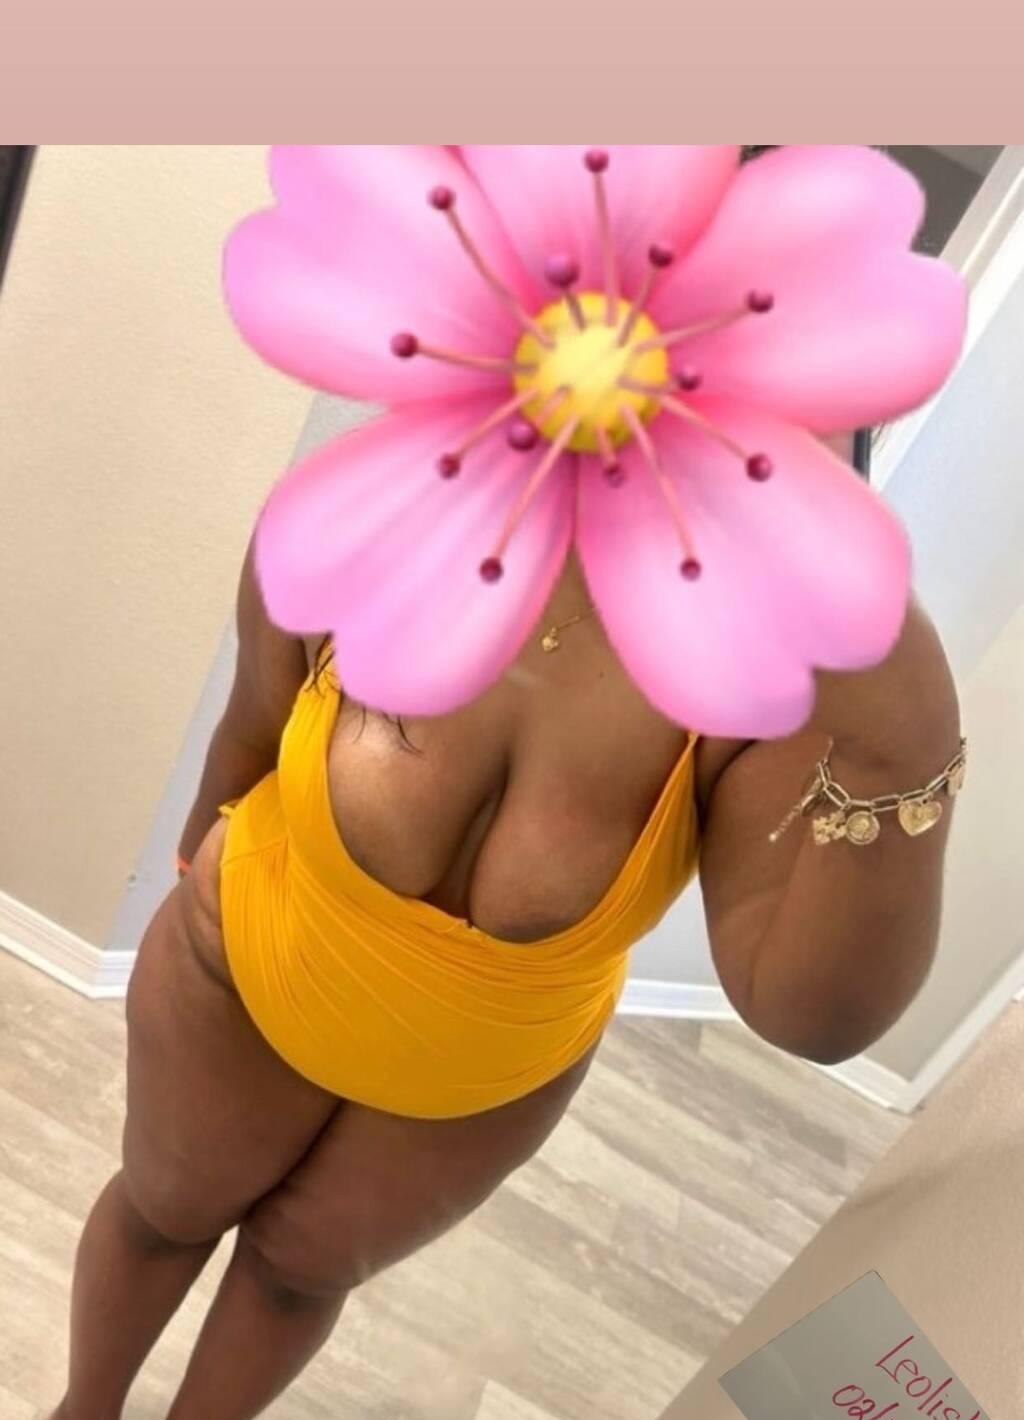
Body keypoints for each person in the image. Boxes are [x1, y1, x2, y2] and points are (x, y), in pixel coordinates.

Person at [49, 425, 964, 1417]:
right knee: (163, 1213)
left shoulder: (766, 683)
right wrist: (190, 884)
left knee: (293, 1276)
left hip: (478, 1076)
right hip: (244, 960)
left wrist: (904, 727)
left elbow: (810, 1016)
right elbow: (250, 729)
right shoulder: (378, 499)